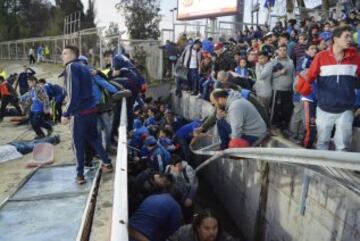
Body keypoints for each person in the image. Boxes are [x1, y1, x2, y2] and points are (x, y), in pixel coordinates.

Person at [296, 25, 360, 151]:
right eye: (346, 36)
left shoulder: (357, 58)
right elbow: (310, 77)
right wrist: (303, 85)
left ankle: (340, 170)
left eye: (350, 37)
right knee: (322, 143)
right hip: (324, 108)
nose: (350, 40)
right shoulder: (321, 56)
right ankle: (322, 168)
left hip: (346, 109)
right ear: (335, 39)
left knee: (343, 146)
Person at [61, 45, 113, 184]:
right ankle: (107, 163)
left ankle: (79, 175)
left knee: (78, 144)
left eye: (65, 53)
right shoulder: (84, 67)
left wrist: (66, 113)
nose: (63, 56)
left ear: (73, 55)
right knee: (94, 139)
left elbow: (72, 93)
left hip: (80, 113)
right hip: (91, 111)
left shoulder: (71, 67)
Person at [296, 43, 318, 148]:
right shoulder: (304, 60)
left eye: (315, 49)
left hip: (316, 97)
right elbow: (302, 73)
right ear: (306, 51)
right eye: (312, 48)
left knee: (311, 123)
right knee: (309, 123)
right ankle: (306, 146)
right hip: (308, 97)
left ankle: (306, 142)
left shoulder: (316, 61)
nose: (314, 50)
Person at [165, 154, 198, 223]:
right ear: (171, 166)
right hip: (174, 198)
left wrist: (190, 198)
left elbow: (194, 184)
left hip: (186, 198)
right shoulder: (168, 169)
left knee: (188, 216)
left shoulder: (187, 169)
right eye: (178, 166)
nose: (180, 167)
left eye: (180, 164)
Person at [168, 208, 237, 241]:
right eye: (207, 228)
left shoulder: (223, 237)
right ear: (198, 228)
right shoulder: (184, 233)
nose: (212, 232)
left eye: (215, 227)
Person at [270, 44, 295, 131]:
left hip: (288, 90)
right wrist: (280, 73)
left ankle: (285, 126)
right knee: (276, 109)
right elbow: (270, 76)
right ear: (277, 51)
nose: (283, 52)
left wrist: (294, 87)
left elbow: (293, 75)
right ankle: (276, 126)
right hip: (277, 90)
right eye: (281, 50)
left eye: (284, 50)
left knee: (287, 109)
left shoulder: (291, 62)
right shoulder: (273, 62)